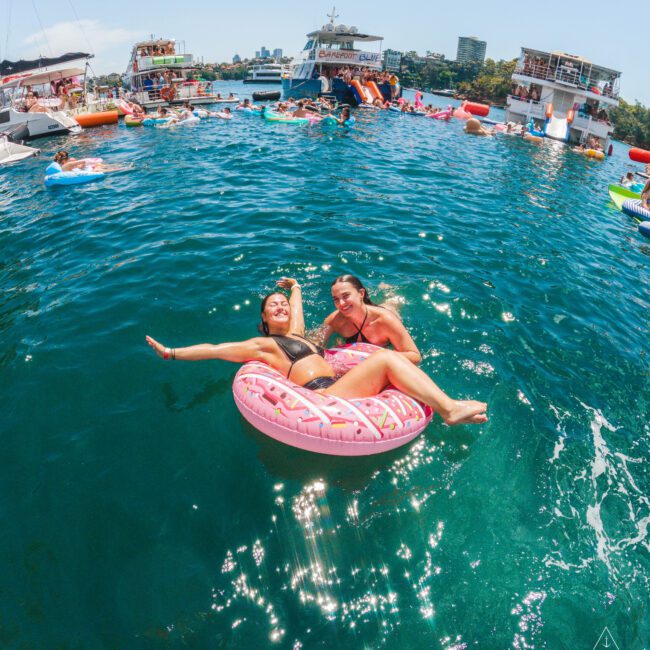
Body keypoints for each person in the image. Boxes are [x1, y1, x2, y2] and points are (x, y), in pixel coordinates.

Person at [146, 278, 488, 425]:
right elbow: (215, 349)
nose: (280, 307)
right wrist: (172, 352)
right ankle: (448, 409)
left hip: (339, 384)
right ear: (263, 320)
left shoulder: (298, 334)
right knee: (386, 358)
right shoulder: (263, 346)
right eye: (272, 307)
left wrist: (294, 288)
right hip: (323, 397)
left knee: (386, 360)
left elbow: (296, 308)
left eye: (282, 304)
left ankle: (393, 303)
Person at [321, 275, 421, 364]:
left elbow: (415, 356)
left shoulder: (385, 320)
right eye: (336, 299)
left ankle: (388, 292)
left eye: (346, 296)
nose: (341, 303)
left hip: (386, 313)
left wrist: (381, 356)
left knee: (391, 304)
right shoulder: (335, 320)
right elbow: (316, 342)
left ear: (361, 293)